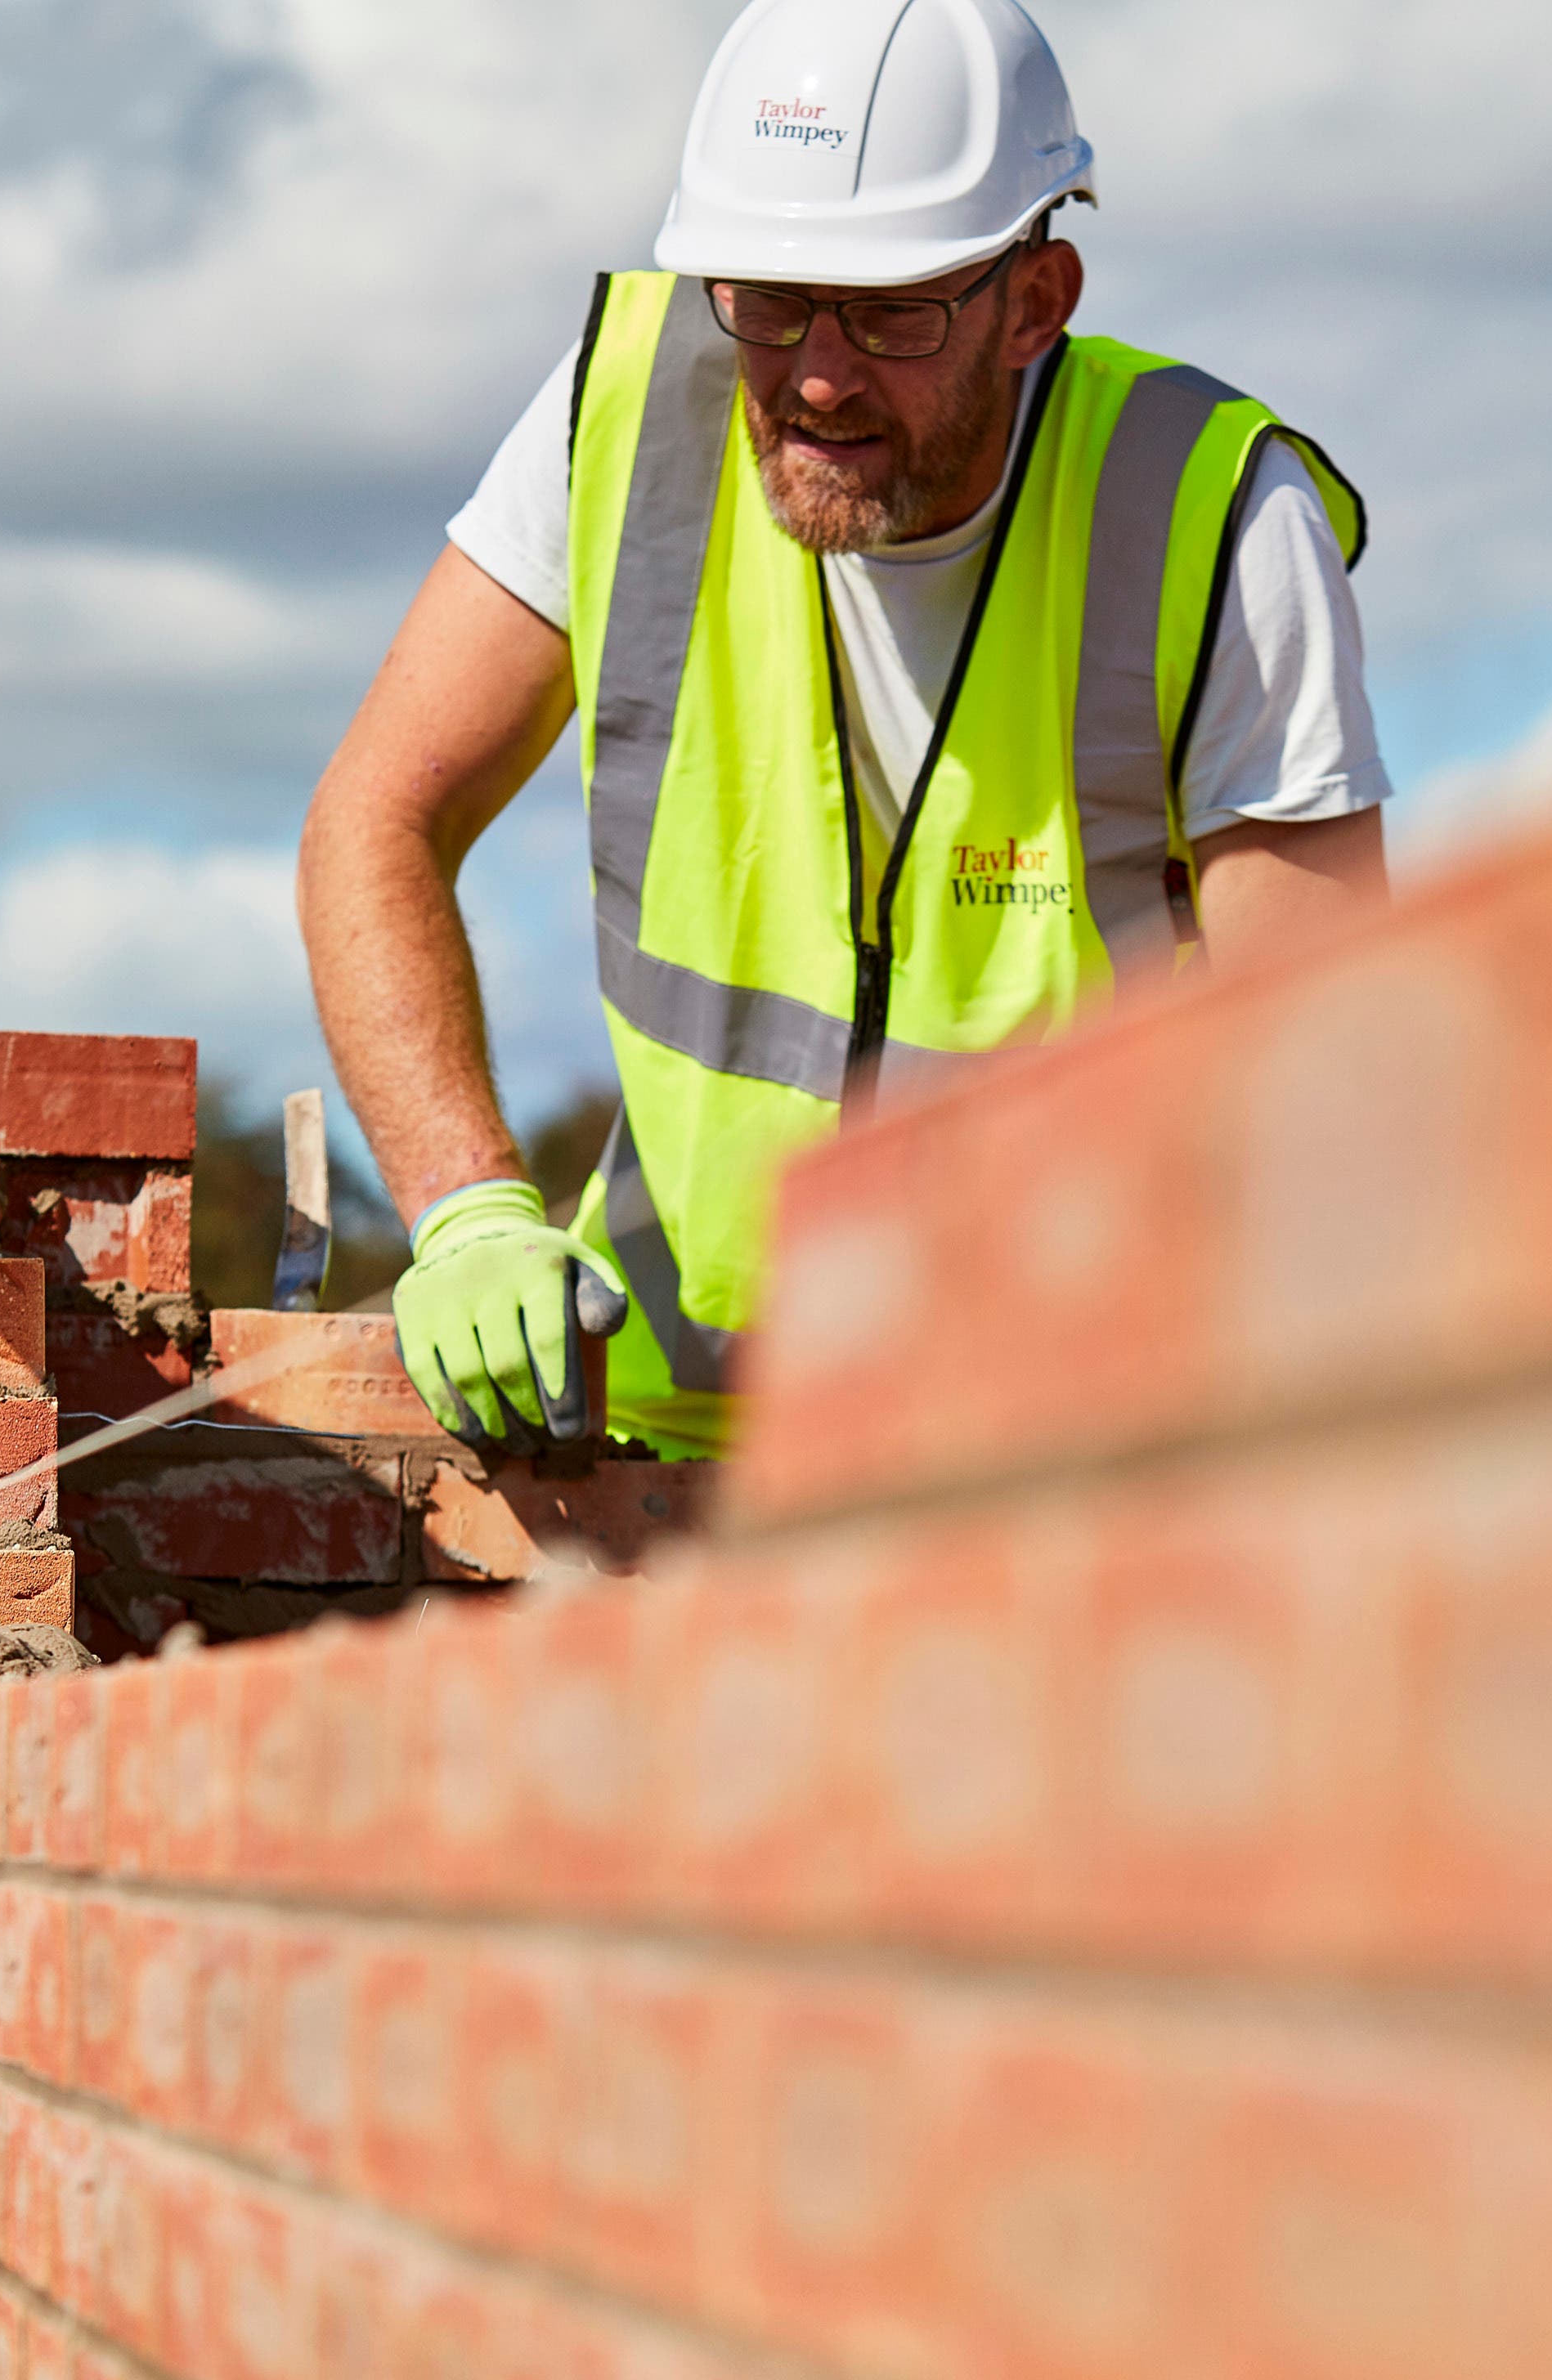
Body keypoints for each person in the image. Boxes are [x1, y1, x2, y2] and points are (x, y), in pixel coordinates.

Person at [305, 0, 1390, 1461]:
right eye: (768, 301)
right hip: (660, 1441)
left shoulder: (1212, 517)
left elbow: (1328, 1073)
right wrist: (468, 1208)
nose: (817, 375)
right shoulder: (624, 416)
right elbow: (376, 818)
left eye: (891, 314)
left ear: (1036, 301)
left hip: (1057, 1461)